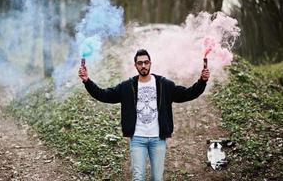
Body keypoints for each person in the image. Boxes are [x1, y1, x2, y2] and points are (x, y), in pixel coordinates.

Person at [78, 49, 210, 181]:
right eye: (140, 63)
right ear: (135, 65)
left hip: (157, 139)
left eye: (146, 62)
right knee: (138, 177)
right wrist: (87, 81)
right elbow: (104, 95)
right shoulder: (127, 87)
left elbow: (187, 94)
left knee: (157, 178)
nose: (143, 66)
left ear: (150, 63)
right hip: (137, 139)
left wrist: (202, 81)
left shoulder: (164, 85)